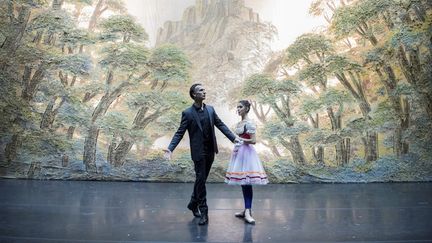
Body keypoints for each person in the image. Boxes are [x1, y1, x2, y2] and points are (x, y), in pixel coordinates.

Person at [164, 83, 239, 226]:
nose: (204, 92)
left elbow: (221, 124)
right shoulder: (187, 113)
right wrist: (170, 148)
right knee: (200, 179)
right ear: (194, 94)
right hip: (198, 152)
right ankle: (204, 211)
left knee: (201, 180)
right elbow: (180, 132)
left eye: (204, 90)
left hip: (210, 150)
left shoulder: (210, 110)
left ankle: (193, 203)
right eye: (200, 90)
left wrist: (234, 138)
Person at [225, 100, 268, 224]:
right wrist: (237, 141)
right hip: (238, 153)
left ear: (247, 109)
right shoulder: (239, 123)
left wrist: (239, 139)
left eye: (240, 107)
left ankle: (248, 211)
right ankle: (246, 210)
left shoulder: (249, 123)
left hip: (247, 153)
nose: (238, 109)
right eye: (237, 107)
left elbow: (253, 140)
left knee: (247, 182)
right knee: (243, 183)